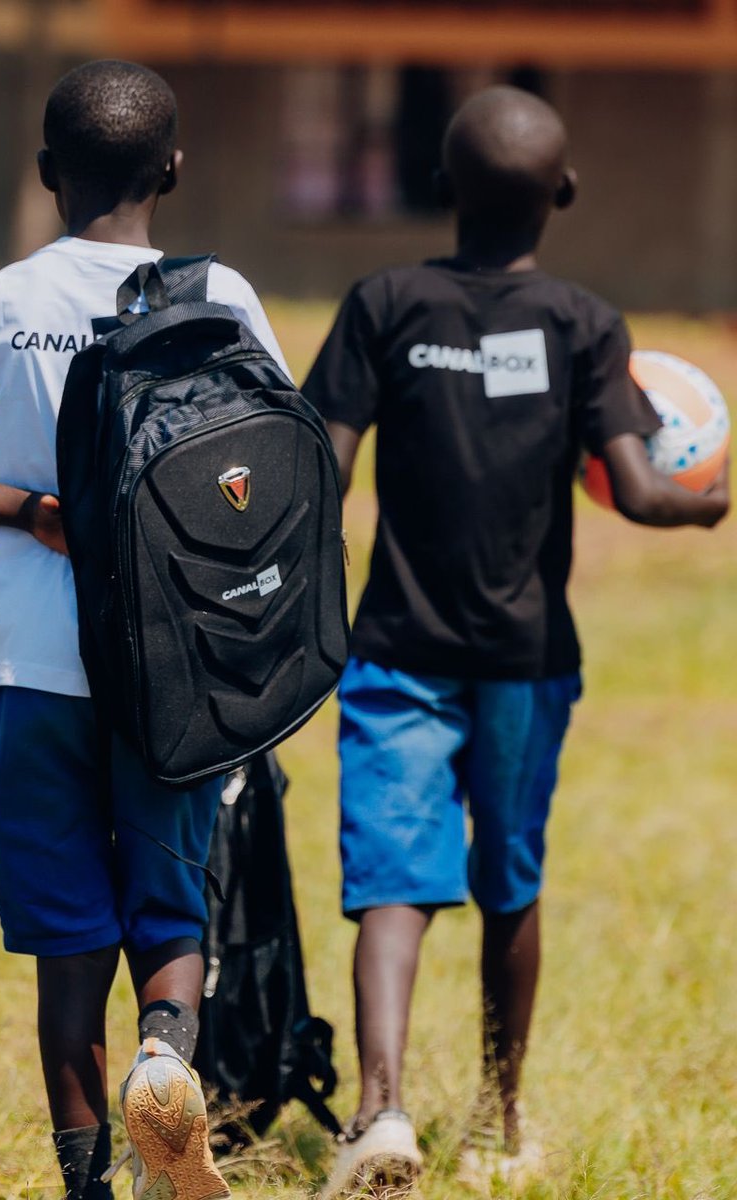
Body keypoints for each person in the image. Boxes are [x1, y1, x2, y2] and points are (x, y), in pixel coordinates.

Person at [0, 59, 290, 1200]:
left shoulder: (7, 300)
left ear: (47, 176)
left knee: (65, 939)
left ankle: (85, 1181)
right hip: (178, 667)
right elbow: (280, 468)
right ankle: (165, 1057)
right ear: (174, 170)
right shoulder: (219, 293)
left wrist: (29, 510)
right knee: (170, 907)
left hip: (30, 663)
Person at [301, 84, 729, 1192]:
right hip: (528, 662)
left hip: (395, 646)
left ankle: (381, 1113)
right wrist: (710, 502)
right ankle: (498, 1117)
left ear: (441, 187)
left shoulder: (384, 303)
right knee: (511, 880)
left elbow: (324, 470)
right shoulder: (586, 326)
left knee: (392, 883)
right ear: (566, 194)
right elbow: (637, 492)